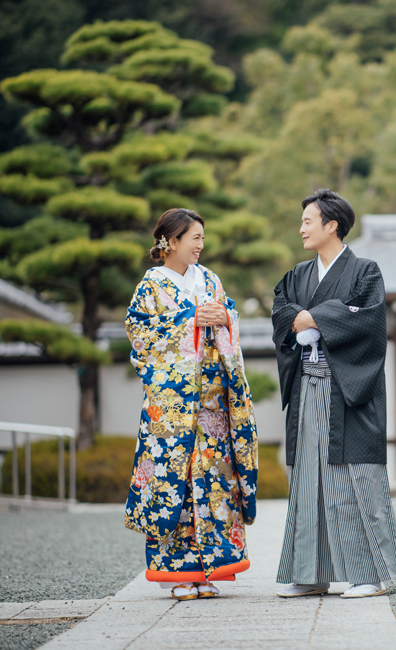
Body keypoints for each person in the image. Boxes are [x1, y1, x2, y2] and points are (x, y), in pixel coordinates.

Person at [272, 188, 396, 599]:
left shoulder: (365, 271)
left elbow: (369, 322)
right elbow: (281, 311)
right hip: (307, 385)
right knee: (309, 477)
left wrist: (314, 316)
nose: (301, 229)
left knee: (357, 477)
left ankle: (371, 573)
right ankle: (312, 573)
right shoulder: (297, 275)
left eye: (308, 221)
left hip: (349, 389)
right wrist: (313, 316)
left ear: (332, 225)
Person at [124, 208, 258, 601]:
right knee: (176, 489)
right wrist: (191, 319)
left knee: (215, 483)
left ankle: (210, 570)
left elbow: (227, 322)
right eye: (194, 237)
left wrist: (223, 319)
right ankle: (179, 575)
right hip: (172, 412)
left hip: (213, 409)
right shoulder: (150, 287)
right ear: (171, 241)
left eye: (202, 237)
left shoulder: (210, 279)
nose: (201, 245)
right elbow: (141, 337)